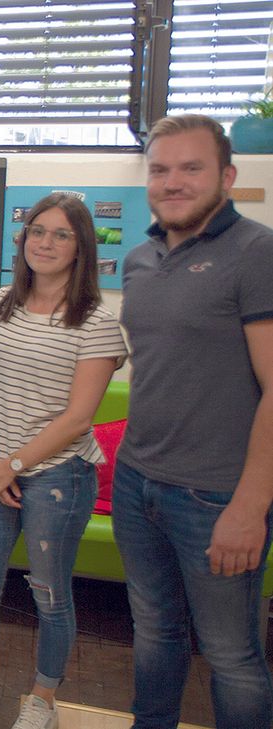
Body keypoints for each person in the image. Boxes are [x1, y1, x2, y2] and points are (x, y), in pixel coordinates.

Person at [0, 193, 126, 729]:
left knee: (49, 595)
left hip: (59, 477)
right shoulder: (1, 303)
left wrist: (11, 466)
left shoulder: (97, 325)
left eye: (61, 234)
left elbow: (78, 418)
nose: (45, 242)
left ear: (81, 246)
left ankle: (41, 697)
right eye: (37, 230)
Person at [114, 114, 273, 728]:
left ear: (226, 176)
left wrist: (249, 506)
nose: (173, 181)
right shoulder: (138, 260)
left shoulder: (257, 254)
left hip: (216, 495)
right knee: (155, 632)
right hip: (136, 483)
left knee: (232, 655)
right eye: (160, 169)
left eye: (191, 168)